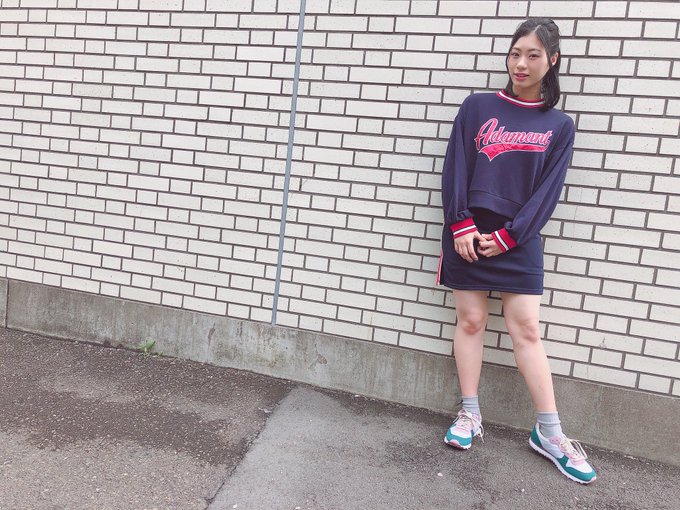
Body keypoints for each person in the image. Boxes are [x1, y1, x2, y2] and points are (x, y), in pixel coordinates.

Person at [436, 18, 596, 484]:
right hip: (467, 232)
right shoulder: (477, 106)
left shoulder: (559, 125)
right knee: (471, 321)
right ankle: (470, 414)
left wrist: (512, 235)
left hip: (518, 239)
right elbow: (455, 167)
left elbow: (548, 192)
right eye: (515, 53)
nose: (521, 64)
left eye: (533, 55)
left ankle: (550, 432)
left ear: (553, 61)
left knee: (526, 328)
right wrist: (461, 224)